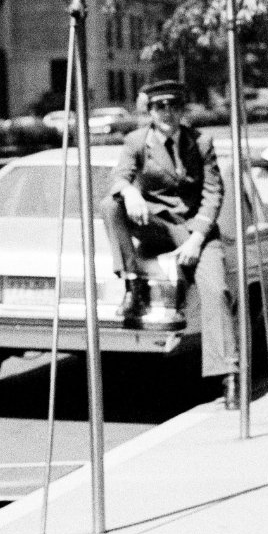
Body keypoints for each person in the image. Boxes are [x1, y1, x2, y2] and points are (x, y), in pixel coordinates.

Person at [99, 79, 237, 383]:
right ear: (150, 111)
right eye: (160, 106)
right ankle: (132, 285)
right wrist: (131, 193)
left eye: (173, 105)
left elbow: (214, 194)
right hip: (158, 226)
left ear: (182, 109)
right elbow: (118, 179)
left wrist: (198, 239)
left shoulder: (201, 142)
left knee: (216, 290)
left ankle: (227, 373)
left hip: (195, 231)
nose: (167, 112)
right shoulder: (137, 142)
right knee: (111, 205)